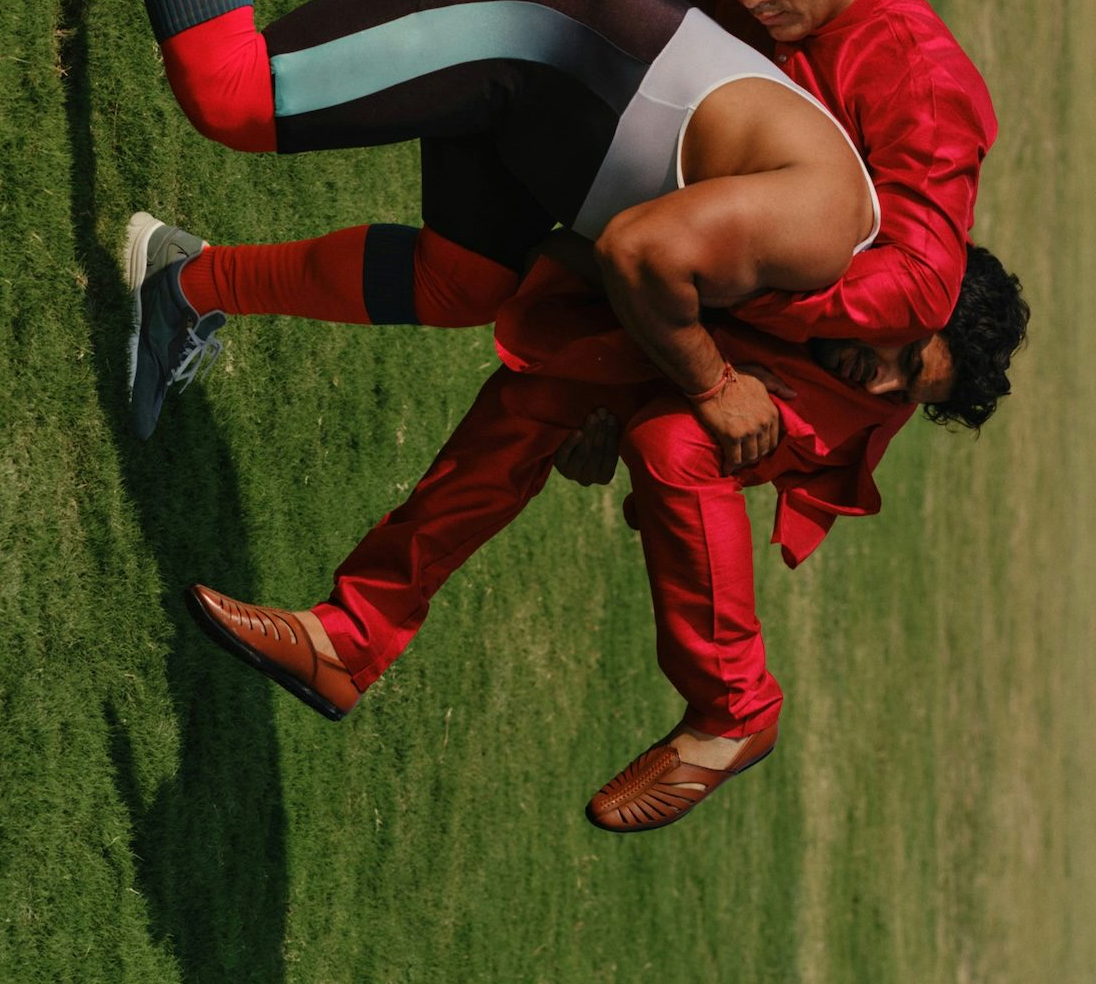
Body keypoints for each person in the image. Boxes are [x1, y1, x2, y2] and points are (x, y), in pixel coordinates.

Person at [21, 0, 884, 465]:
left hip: (547, 112)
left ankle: (184, 285)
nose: (873, 385)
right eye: (901, 368)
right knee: (232, 94)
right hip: (532, 21)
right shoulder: (824, 234)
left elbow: (578, 266)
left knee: (463, 284)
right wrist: (713, 386)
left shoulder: (798, 279)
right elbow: (636, 254)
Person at [182, 243, 1029, 833]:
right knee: (536, 401)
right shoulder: (835, 249)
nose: (880, 377)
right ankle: (349, 638)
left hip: (661, 329)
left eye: (906, 390)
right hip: (642, 281)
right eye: (903, 353)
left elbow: (697, 478)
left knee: (669, 439)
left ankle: (737, 706)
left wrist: (634, 440)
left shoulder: (849, 404)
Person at [475, 0, 998, 343]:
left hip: (744, 334)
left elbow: (919, 284)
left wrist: (736, 280)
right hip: (648, 256)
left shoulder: (925, 82)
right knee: (471, 282)